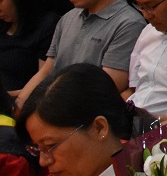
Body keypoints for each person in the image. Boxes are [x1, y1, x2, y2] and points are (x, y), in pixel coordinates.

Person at [15, 0, 146, 111]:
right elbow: (47, 71)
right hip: (51, 109)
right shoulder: (68, 18)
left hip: (83, 115)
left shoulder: (129, 24)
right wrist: (18, 108)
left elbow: (105, 89)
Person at [16, 63, 156, 176]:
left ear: (99, 127)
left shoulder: (159, 169)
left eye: (50, 146)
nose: (43, 161)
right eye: (37, 149)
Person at [0, 0, 59, 97]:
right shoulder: (3, 26)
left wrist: (8, 98)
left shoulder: (46, 26)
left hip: (23, 101)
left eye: (0, 1)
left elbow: (44, 84)